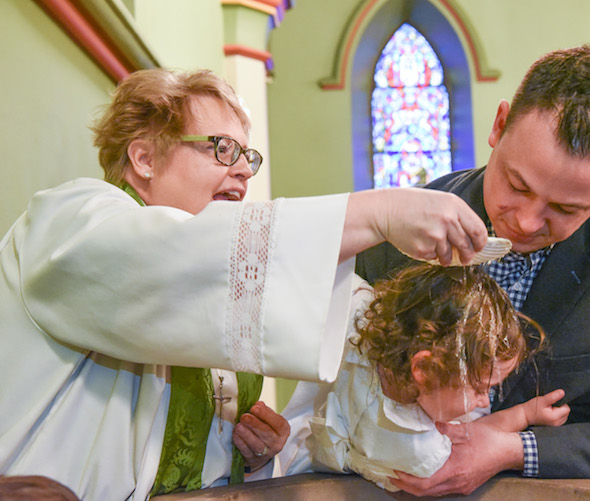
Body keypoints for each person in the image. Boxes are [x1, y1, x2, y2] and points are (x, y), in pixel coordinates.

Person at [0, 68, 488, 500]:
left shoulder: (217, 286)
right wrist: (380, 212)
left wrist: (255, 457)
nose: (242, 170)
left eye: (246, 156)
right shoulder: (71, 219)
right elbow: (170, 257)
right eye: (221, 148)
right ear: (144, 158)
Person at [355, 45, 590, 494]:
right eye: (517, 184)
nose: (527, 222)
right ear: (499, 125)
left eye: (565, 208)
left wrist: (516, 448)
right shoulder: (397, 229)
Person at [277, 264, 569, 491]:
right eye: (480, 388)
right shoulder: (417, 449)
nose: (485, 400)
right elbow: (471, 437)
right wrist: (522, 416)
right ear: (425, 369)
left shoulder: (363, 317)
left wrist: (523, 413)